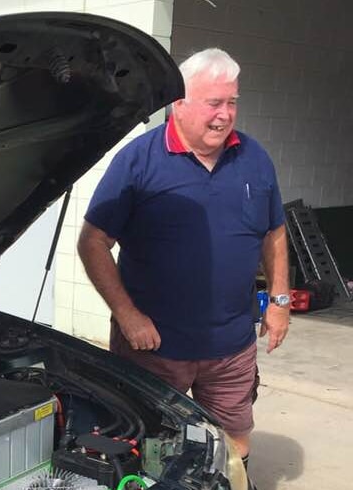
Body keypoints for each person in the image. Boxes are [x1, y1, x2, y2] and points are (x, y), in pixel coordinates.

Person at [77, 48, 289, 465]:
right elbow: (93, 241)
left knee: (234, 442)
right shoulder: (138, 160)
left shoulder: (254, 158)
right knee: (150, 445)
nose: (225, 114)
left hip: (231, 347)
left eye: (232, 102)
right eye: (214, 103)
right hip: (155, 350)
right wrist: (127, 314)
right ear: (180, 101)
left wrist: (280, 301)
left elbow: (274, 233)